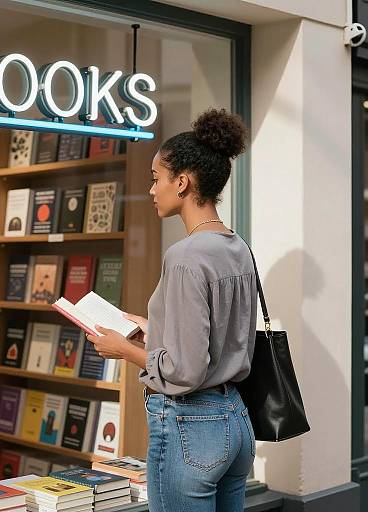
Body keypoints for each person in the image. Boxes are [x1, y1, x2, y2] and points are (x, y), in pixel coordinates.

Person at [86, 109, 257, 512]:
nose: (150, 189)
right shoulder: (237, 247)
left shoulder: (185, 256)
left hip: (190, 425)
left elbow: (186, 371)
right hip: (235, 419)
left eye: (155, 178)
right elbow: (223, 330)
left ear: (182, 182)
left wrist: (123, 349)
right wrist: (156, 326)